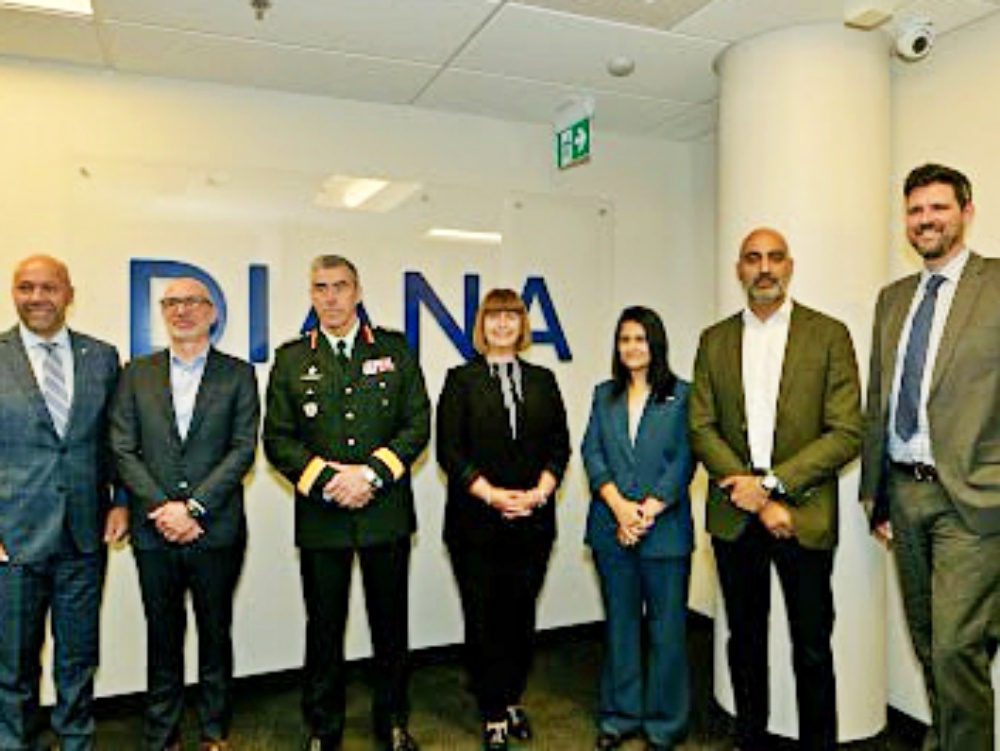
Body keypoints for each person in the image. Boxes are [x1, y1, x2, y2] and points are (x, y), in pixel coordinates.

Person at [688, 228, 862, 751]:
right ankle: (750, 741)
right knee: (744, 642)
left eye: (775, 258)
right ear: (738, 269)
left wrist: (771, 487)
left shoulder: (828, 334)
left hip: (801, 513)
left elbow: (847, 430)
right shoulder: (713, 340)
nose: (764, 267)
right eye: (752, 259)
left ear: (790, 266)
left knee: (812, 647)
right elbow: (701, 426)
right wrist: (752, 494)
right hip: (733, 515)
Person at [263, 255, 430, 751]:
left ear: (357, 291)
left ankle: (394, 721)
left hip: (385, 512)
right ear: (310, 294)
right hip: (322, 515)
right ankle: (322, 727)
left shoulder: (395, 349)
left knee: (390, 624)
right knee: (324, 628)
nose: (331, 297)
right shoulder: (292, 358)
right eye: (321, 287)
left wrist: (372, 475)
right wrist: (329, 480)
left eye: (340, 286)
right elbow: (278, 438)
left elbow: (417, 423)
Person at [860, 163, 1000, 751]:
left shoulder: (995, 283)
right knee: (927, 643)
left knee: (956, 647)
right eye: (916, 210)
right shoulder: (893, 300)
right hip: (905, 492)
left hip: (974, 494)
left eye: (938, 208)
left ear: (966, 212)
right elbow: (879, 399)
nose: (926, 220)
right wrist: (877, 495)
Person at [110, 277, 259, 751]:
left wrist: (193, 508)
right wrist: (160, 507)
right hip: (154, 533)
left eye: (192, 302)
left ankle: (215, 731)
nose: (182, 311)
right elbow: (122, 447)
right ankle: (162, 733)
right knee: (163, 634)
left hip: (215, 529)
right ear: (162, 311)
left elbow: (241, 450)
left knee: (216, 632)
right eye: (171, 303)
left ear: (212, 311)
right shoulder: (135, 373)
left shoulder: (238, 374)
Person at [0, 255, 126, 750]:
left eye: (48, 288)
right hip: (12, 538)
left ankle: (77, 740)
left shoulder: (102, 356)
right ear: (14, 292)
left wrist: (120, 501)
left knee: (78, 657)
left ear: (69, 293)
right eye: (26, 287)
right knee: (13, 661)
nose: (37, 298)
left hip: (83, 533)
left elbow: (115, 440)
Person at [436, 288, 570, 751]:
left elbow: (560, 446)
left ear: (521, 324)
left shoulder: (543, 380)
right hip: (475, 523)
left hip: (532, 520)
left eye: (511, 316)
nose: (502, 325)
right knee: (483, 616)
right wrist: (493, 495)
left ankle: (512, 697)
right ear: (482, 325)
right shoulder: (460, 380)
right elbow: (449, 451)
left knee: (520, 615)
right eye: (493, 317)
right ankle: (491, 710)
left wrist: (540, 493)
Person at [582, 306, 694, 751]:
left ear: (656, 344)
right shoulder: (603, 394)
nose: (631, 347)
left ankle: (665, 723)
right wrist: (619, 508)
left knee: (667, 632)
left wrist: (645, 511)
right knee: (620, 628)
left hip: (663, 532)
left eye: (640, 339)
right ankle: (620, 716)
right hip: (612, 530)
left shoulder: (682, 395)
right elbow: (592, 453)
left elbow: (685, 459)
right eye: (625, 339)